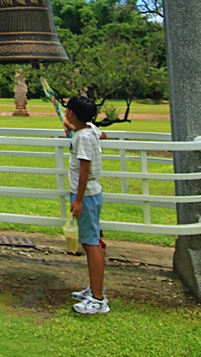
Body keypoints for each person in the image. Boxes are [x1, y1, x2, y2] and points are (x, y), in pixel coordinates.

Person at [64, 95, 109, 315]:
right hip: (93, 193)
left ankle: (98, 299)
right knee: (92, 241)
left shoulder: (83, 137)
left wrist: (78, 200)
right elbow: (104, 134)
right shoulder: (90, 130)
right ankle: (94, 289)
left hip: (87, 196)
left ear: (72, 113)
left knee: (91, 244)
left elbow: (84, 169)